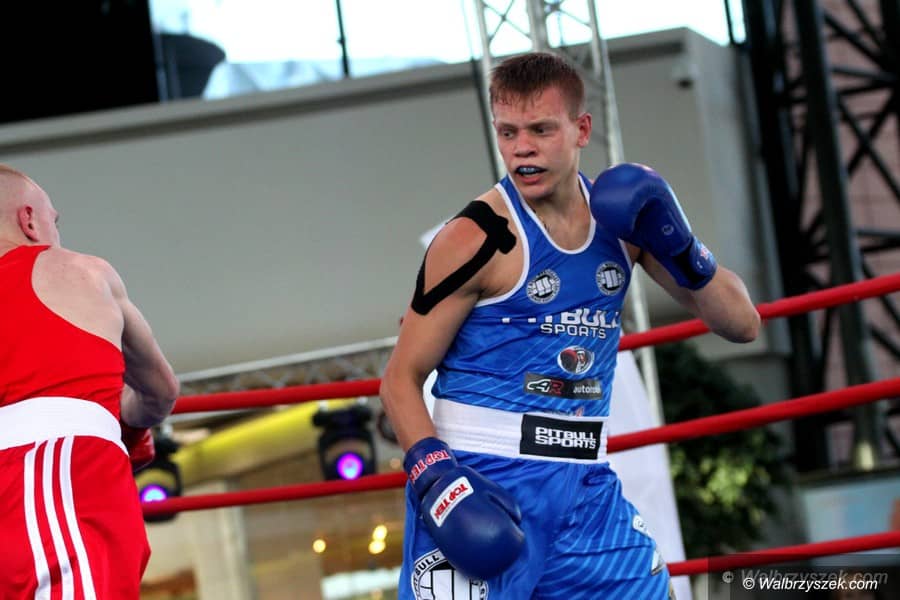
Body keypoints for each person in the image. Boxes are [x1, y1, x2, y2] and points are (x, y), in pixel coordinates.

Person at [380, 52, 761, 599]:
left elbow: (742, 324)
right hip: (482, 477)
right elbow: (399, 379)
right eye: (508, 132)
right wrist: (438, 482)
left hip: (586, 484)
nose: (522, 148)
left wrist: (679, 244)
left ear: (582, 129)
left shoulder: (623, 223)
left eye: (540, 129)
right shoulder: (477, 237)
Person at [0, 164, 180, 598]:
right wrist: (127, 423)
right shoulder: (82, 272)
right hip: (52, 472)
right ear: (29, 220)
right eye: (54, 222)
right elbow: (161, 391)